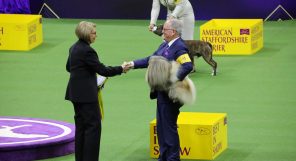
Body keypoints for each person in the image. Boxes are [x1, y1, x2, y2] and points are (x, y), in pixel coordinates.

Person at [128, 19, 193, 161]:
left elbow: (187, 66)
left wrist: (171, 80)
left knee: (168, 129)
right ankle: (163, 157)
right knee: (162, 129)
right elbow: (151, 59)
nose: (162, 31)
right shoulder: (164, 45)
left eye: (165, 29)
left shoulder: (180, 47)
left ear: (173, 32)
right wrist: (132, 64)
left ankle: (173, 158)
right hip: (162, 95)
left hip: (171, 95)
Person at [65, 21, 130, 161]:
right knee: (93, 129)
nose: (96, 35)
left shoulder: (73, 48)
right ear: (87, 34)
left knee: (81, 128)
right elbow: (103, 70)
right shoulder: (88, 51)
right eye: (94, 33)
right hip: (87, 96)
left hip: (75, 94)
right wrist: (121, 69)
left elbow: (69, 68)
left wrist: (84, 73)